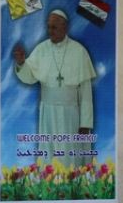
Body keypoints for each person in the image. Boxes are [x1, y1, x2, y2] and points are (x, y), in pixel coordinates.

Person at [12, 9, 96, 167]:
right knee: (49, 154)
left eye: (54, 27)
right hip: (48, 112)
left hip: (71, 114)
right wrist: (22, 63)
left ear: (65, 27)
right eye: (48, 27)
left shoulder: (79, 51)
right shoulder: (41, 49)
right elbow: (30, 77)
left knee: (70, 153)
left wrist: (85, 123)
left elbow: (86, 92)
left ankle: (71, 186)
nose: (50, 31)